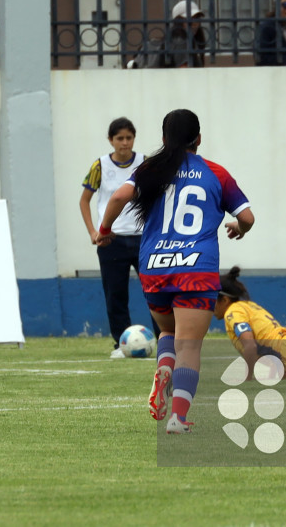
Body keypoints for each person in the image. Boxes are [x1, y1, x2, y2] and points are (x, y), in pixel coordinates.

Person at [94, 109, 255, 434]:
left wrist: (105, 228)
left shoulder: (150, 168)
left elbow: (121, 195)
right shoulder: (215, 173)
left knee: (169, 333)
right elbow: (248, 217)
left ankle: (164, 368)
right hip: (196, 269)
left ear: (164, 139)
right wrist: (239, 227)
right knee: (190, 346)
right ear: (198, 138)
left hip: (154, 268)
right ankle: (178, 417)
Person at [79, 117, 159, 358]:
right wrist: (94, 231)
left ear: (134, 138)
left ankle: (164, 342)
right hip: (111, 240)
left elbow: (158, 195)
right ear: (110, 140)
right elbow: (84, 200)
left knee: (156, 292)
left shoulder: (145, 163)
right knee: (115, 295)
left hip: (144, 238)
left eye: (128, 138)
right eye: (119, 138)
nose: (124, 143)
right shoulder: (100, 166)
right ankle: (121, 345)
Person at [128, 0, 206, 68]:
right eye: (189, 19)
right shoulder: (181, 42)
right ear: (178, 21)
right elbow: (184, 72)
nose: (195, 23)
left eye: (197, 18)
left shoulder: (177, 41)